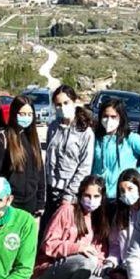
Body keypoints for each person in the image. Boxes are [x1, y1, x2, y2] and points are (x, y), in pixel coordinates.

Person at [33, 176, 110, 279]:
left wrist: (103, 264)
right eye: (87, 195)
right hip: (48, 272)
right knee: (87, 261)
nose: (91, 200)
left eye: (96, 196)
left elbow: (100, 249)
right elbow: (48, 244)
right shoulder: (67, 210)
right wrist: (78, 248)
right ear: (80, 195)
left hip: (77, 271)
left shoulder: (98, 218)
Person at [43, 85, 96, 232]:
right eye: (58, 104)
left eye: (66, 103)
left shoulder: (85, 132)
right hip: (51, 189)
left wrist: (70, 194)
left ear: (74, 101)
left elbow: (84, 167)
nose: (62, 107)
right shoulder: (53, 127)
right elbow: (48, 158)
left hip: (70, 193)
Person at [0, 95, 47, 216]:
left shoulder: (33, 139)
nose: (26, 118)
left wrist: (40, 202)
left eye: (30, 114)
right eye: (22, 114)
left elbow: (40, 172)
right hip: (8, 203)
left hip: (31, 203)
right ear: (14, 114)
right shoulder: (2, 138)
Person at [92, 98, 140, 198]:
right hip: (98, 196)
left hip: (122, 195)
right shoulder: (96, 138)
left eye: (113, 116)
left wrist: (138, 172)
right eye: (105, 116)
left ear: (121, 118)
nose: (108, 120)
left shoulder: (130, 138)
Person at [104, 169, 140, 279]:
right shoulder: (120, 215)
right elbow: (115, 246)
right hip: (124, 270)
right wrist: (111, 265)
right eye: (122, 190)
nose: (126, 194)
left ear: (139, 188)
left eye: (130, 189)